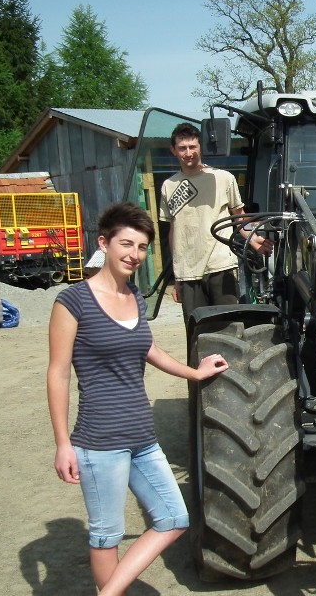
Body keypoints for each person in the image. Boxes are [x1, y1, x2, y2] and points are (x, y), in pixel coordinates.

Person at [47, 202, 230, 595]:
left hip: (142, 439)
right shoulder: (72, 301)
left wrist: (194, 372)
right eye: (126, 244)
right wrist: (63, 443)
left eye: (143, 247)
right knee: (106, 535)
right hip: (99, 442)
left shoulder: (135, 297)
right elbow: (58, 373)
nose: (134, 254)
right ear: (104, 243)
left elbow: (148, 348)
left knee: (174, 518)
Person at [159, 122, 273, 324]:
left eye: (193, 147)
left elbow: (239, 216)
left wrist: (254, 240)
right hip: (188, 273)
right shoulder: (168, 186)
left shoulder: (223, 179)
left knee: (229, 327)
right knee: (198, 332)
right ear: (173, 150)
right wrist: (176, 278)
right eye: (182, 148)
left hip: (221, 266)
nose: (188, 153)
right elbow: (173, 231)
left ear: (200, 147)